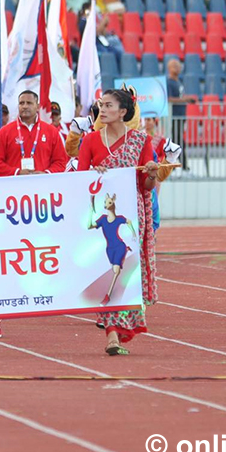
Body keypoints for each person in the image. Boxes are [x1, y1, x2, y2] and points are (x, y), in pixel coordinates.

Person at [76, 89, 162, 356]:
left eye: (108, 105)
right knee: (109, 272)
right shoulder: (90, 140)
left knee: (125, 274)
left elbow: (145, 186)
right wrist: (94, 173)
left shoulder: (140, 141)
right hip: (102, 223)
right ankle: (112, 331)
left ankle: (114, 330)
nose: (102, 109)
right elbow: (79, 180)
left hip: (130, 220)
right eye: (101, 105)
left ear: (123, 111)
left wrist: (152, 173)